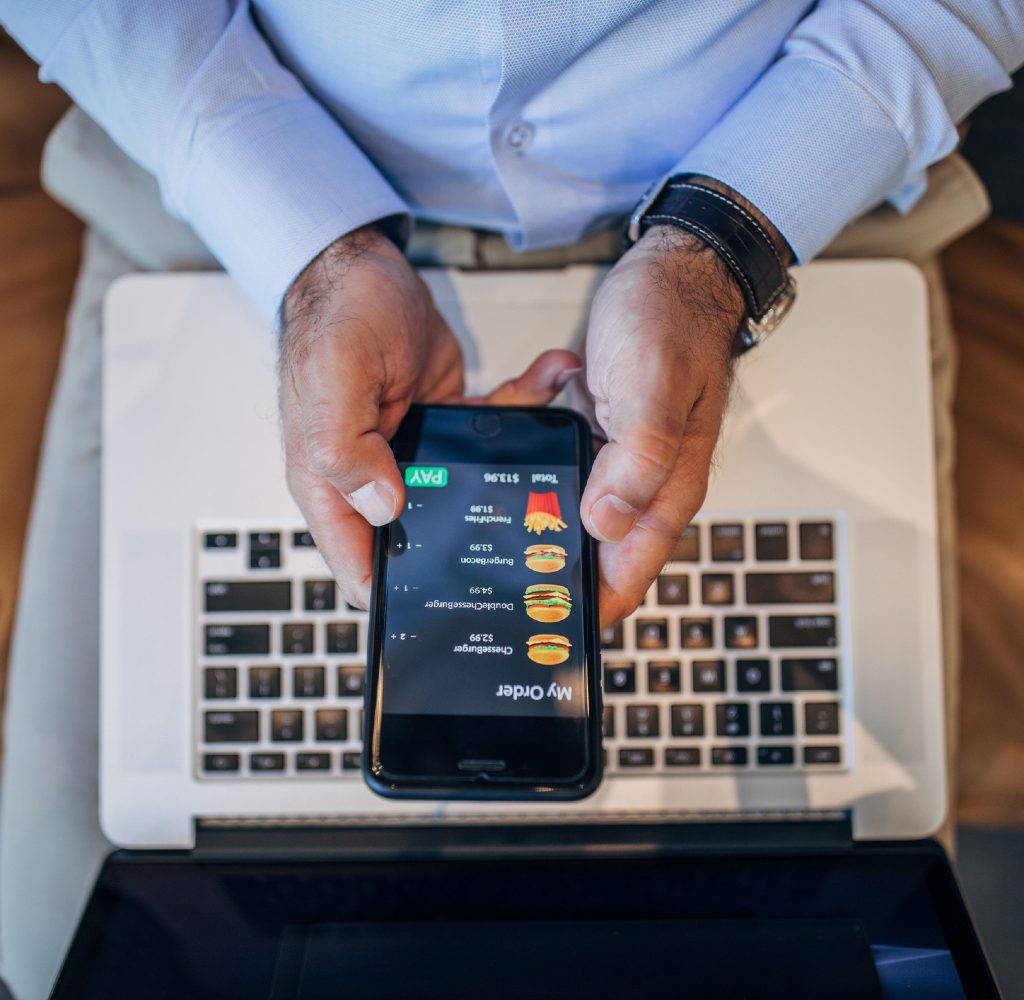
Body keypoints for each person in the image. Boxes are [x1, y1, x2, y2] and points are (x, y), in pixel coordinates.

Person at [0, 3, 1022, 996]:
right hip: (238, 187)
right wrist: (315, 257)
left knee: (872, 939)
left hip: (788, 201)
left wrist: (718, 251)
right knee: (54, 943)